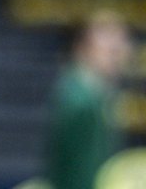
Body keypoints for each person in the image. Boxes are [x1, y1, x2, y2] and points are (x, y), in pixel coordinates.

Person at [45, 13, 133, 189]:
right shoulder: (83, 102)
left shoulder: (89, 95)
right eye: (110, 52)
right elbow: (80, 170)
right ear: (83, 49)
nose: (118, 59)